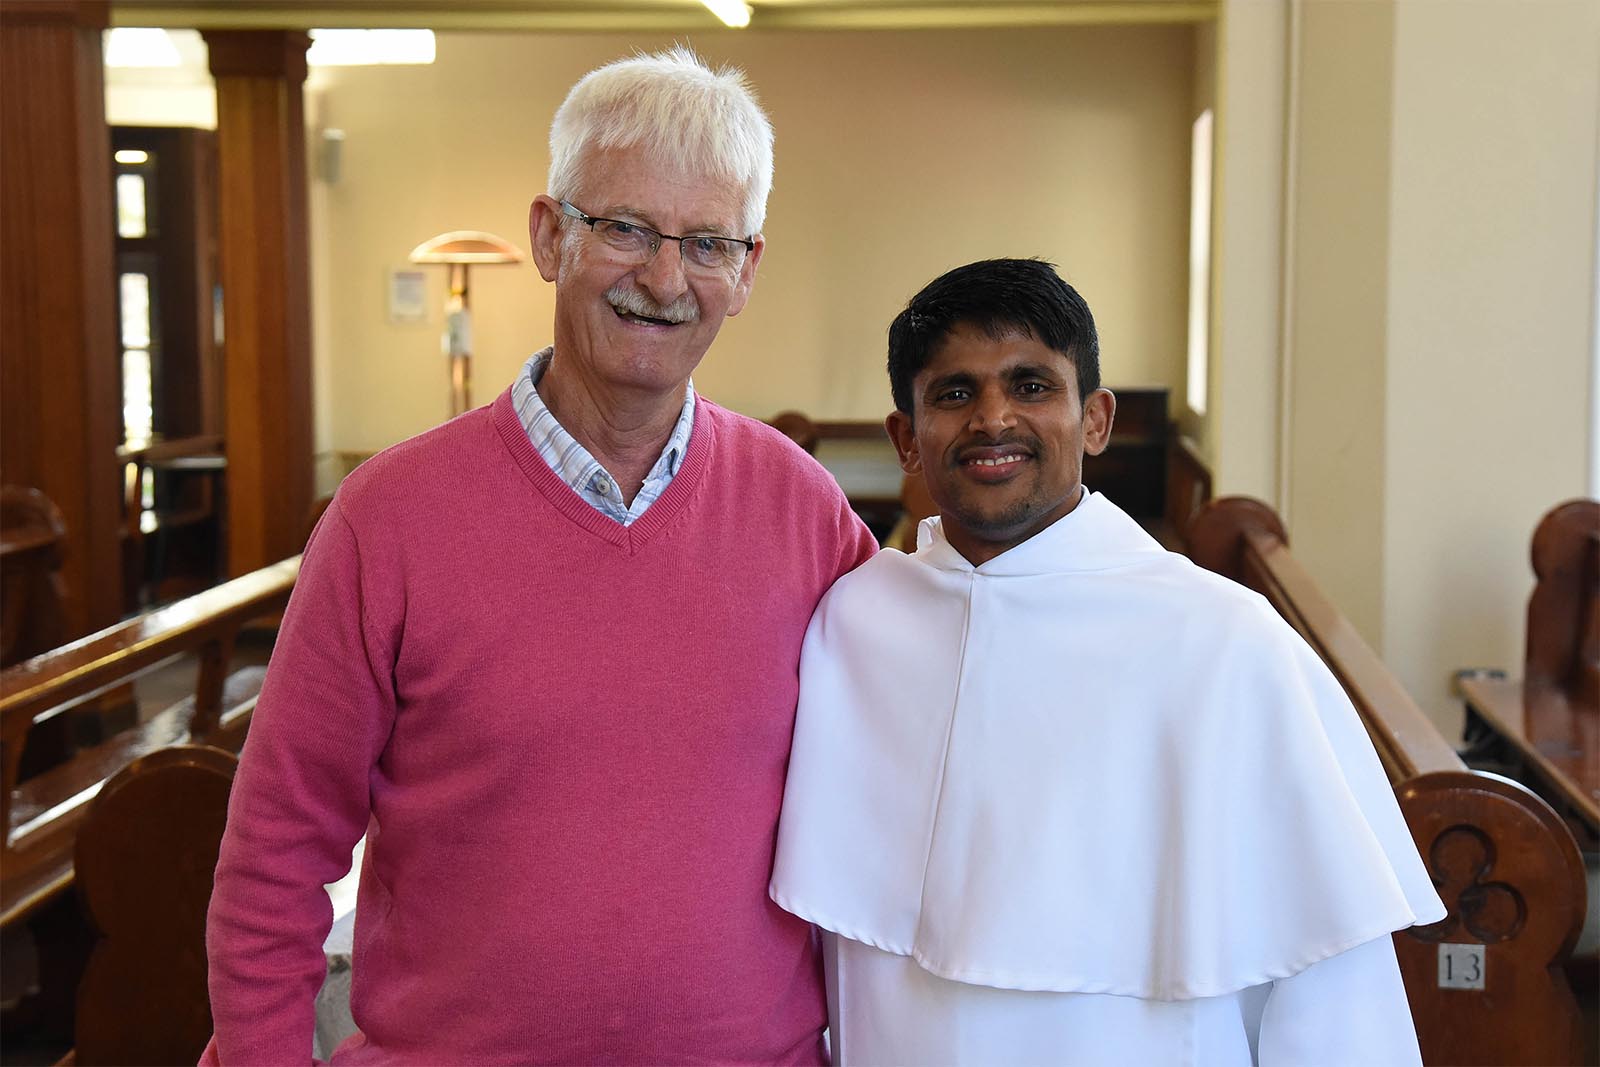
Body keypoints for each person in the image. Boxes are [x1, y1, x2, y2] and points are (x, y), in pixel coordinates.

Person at [204, 48, 876, 1064]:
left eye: (706, 243)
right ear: (549, 235)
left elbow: (917, 761)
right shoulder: (387, 519)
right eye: (624, 228)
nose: (664, 278)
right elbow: (274, 856)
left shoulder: (804, 512)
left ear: (745, 271)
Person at [769, 258, 1446, 1066]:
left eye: (1031, 385)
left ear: (1095, 419)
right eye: (953, 392)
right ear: (907, 439)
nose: (992, 418)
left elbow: (1334, 996)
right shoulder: (852, 622)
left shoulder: (1223, 642)